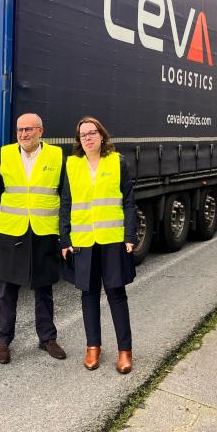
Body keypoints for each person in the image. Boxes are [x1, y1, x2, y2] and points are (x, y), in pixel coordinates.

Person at [59, 116, 137, 374]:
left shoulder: (117, 162)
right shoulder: (72, 166)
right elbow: (67, 204)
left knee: (116, 294)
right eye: (83, 135)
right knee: (88, 294)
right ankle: (93, 347)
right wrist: (65, 238)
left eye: (92, 133)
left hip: (112, 240)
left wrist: (129, 236)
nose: (88, 138)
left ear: (102, 136)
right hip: (83, 242)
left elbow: (128, 201)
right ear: (79, 141)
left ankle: (125, 351)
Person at [0, 113, 66, 364]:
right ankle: (2, 341)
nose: (23, 134)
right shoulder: (7, 153)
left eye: (29, 130)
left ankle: (47, 339)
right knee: (7, 289)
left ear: (41, 131)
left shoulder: (57, 156)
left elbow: (64, 193)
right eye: (20, 130)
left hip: (44, 229)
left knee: (44, 287)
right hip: (13, 229)